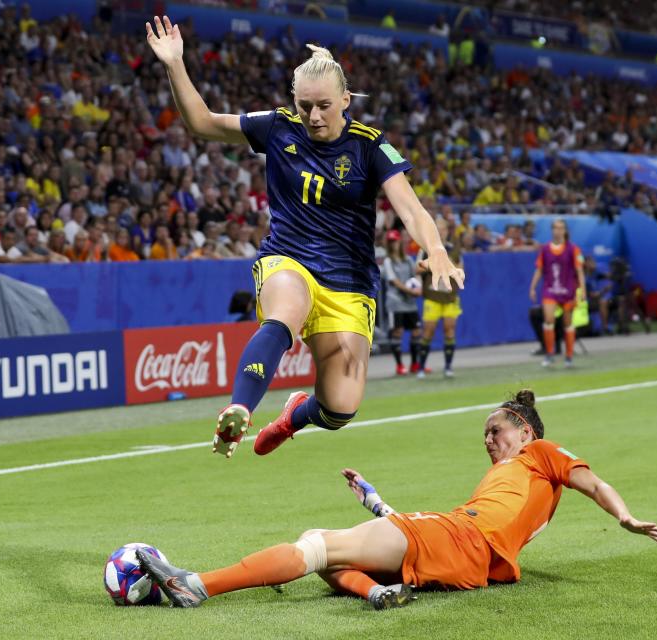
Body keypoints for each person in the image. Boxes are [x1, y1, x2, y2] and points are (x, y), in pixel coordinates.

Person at [145, 16, 464, 458]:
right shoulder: (277, 126)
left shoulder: (370, 145)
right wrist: (175, 64)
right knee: (285, 309)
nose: (313, 116)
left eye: (324, 106)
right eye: (304, 105)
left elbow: (410, 208)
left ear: (346, 100)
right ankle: (239, 408)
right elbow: (201, 123)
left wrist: (438, 251)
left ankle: (295, 415)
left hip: (349, 282)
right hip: (288, 259)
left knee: (341, 407)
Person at [136, 390, 657, 610]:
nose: (488, 440)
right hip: (464, 550)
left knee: (318, 544)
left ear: (523, 429)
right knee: (333, 560)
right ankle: (374, 595)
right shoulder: (512, 480)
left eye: (495, 430)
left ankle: (196, 586)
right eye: (484, 434)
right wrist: (375, 503)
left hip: (461, 537)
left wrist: (625, 516)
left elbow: (592, 482)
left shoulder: (539, 454)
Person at [529, 219, 585, 368]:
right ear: (552, 230)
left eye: (560, 228)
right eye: (555, 228)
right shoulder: (546, 249)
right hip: (550, 289)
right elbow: (539, 269)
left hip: (568, 290)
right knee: (548, 319)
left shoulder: (573, 249)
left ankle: (569, 356)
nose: (557, 231)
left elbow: (579, 271)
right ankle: (549, 354)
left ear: (565, 231)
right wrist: (533, 287)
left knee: (568, 322)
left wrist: (583, 290)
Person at [415, 218, 463, 378]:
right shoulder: (426, 248)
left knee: (449, 330)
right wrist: (433, 264)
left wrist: (449, 264)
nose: (441, 232)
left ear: (447, 231)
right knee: (428, 331)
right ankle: (421, 368)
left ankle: (448, 367)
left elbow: (461, 269)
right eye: (438, 229)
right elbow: (417, 268)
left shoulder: (454, 248)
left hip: (450, 295)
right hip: (433, 295)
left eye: (443, 229)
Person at [381, 229, 421, 375]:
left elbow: (415, 275)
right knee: (398, 331)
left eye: (395, 241)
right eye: (391, 242)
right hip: (395, 302)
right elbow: (394, 281)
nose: (394, 245)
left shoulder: (408, 260)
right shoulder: (387, 261)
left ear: (399, 242)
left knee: (416, 331)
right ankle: (399, 365)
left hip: (410, 303)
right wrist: (411, 291)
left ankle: (415, 363)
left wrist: (418, 286)